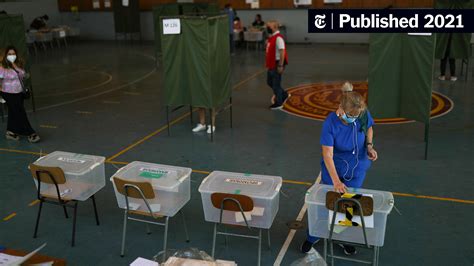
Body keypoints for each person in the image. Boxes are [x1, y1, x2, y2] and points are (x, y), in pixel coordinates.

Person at [300, 82, 378, 255]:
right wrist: (335, 181)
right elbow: (327, 154)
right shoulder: (330, 123)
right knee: (327, 200)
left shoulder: (360, 112)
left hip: (357, 167)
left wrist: (370, 146)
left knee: (349, 203)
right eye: (351, 116)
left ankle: (342, 237)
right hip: (335, 167)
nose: (355, 119)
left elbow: (369, 127)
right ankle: (313, 235)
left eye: (357, 117)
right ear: (341, 109)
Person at [0, 46, 40, 143]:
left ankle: (10, 132)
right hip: (8, 93)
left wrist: (20, 70)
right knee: (20, 112)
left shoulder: (17, 64)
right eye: (9, 54)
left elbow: (23, 75)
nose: (12, 56)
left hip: (19, 92)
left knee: (14, 112)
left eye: (13, 54)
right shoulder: (2, 67)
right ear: (5, 55)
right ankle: (30, 133)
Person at [266, 20, 289, 110]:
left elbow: (282, 51)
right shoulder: (272, 37)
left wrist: (280, 65)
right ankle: (284, 94)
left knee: (276, 84)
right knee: (269, 82)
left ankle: (279, 102)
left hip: (277, 63)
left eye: (269, 26)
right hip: (271, 64)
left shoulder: (278, 38)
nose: (267, 28)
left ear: (275, 27)